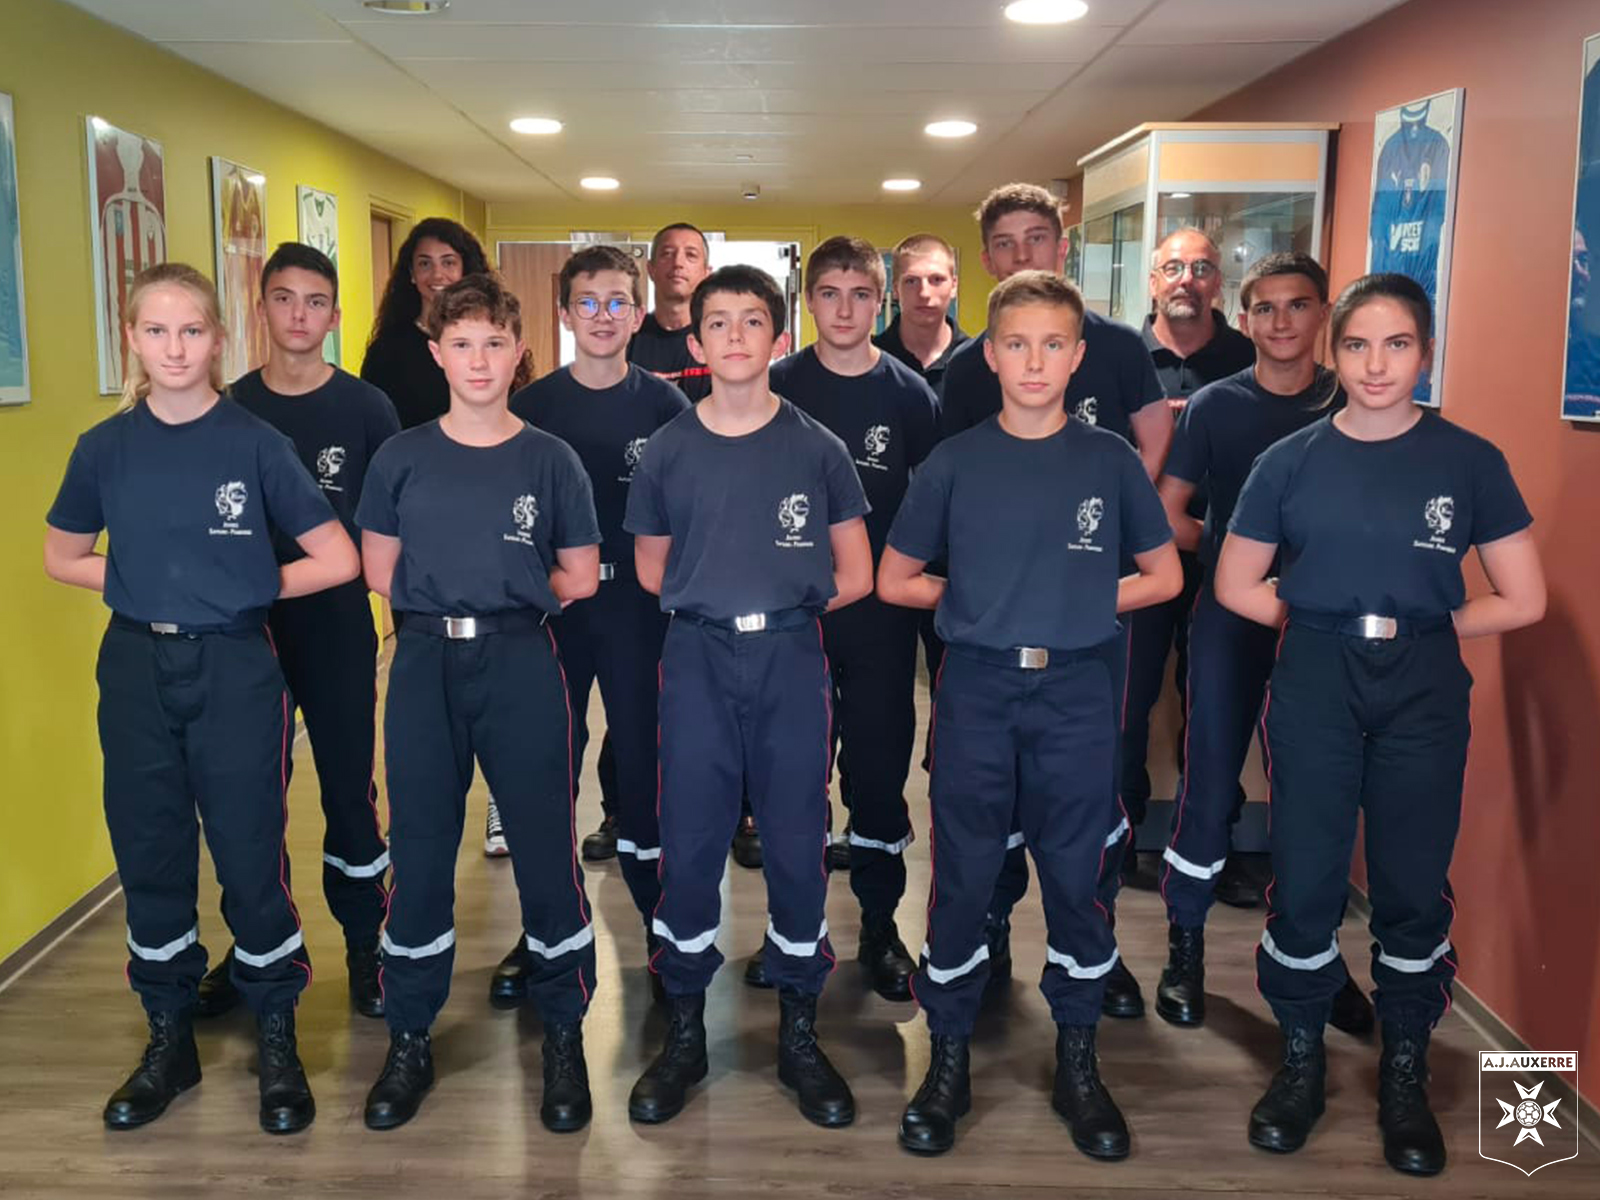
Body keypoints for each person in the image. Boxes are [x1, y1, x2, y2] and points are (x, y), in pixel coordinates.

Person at [1215, 273, 1545, 1175]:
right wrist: (1320, 618)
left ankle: (1404, 1072)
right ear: (1334, 351)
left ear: (1426, 352)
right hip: (1318, 673)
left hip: (1424, 683)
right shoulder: (1289, 461)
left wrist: (1422, 627)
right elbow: (1236, 585)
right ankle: (1301, 1060)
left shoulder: (1468, 460)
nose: (1376, 364)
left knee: (1409, 880)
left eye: (1396, 345)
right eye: (1358, 345)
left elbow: (1524, 597)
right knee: (1310, 874)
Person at [44, 262, 360, 1134]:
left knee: (251, 850)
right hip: (138, 667)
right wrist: (149, 581)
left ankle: (276, 1033)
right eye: (156, 331)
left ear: (219, 340)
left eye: (192, 331)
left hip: (233, 665)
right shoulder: (103, 448)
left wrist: (241, 584)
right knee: (149, 848)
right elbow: (63, 556)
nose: (175, 347)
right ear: (133, 341)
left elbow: (337, 558)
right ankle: (167, 1036)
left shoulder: (256, 443)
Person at [879, 270, 1181, 1159]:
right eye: (1018, 343)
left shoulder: (1110, 460)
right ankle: (948, 1059)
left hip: (1081, 690)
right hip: (976, 687)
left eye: (1055, 344)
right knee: (965, 876)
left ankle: (1080, 1063)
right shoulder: (956, 460)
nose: (1035, 360)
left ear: (1079, 357)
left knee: (1077, 876)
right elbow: (896, 578)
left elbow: (1161, 575)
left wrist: (1081, 598)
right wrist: (977, 602)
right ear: (992, 355)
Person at [623, 265, 873, 1128]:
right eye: (717, 323)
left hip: (791, 658)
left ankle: (799, 1033)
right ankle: (685, 1030)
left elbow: (858, 571)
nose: (735, 336)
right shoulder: (668, 449)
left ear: (778, 336)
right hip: (696, 653)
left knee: (799, 837)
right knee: (690, 837)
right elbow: (652, 565)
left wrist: (779, 602)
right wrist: (719, 600)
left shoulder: (818, 448)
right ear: (694, 345)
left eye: (753, 320)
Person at [356, 275, 602, 1133]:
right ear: (437, 354)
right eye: (461, 345)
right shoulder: (402, 456)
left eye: (494, 344)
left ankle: (564, 1030)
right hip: (423, 659)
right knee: (420, 848)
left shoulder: (550, 458)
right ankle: (411, 1034)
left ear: (518, 350)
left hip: (520, 656)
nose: (479, 361)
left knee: (542, 841)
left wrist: (503, 592)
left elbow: (576, 573)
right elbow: (379, 570)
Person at [938, 182, 1169, 1019]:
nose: (1034, 362)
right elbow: (952, 517)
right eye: (1006, 241)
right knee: (974, 827)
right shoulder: (967, 378)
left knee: (1083, 820)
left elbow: (1152, 470)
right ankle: (986, 941)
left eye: (1038, 237)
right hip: (990, 646)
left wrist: (1079, 572)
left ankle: (1089, 967)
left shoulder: (1113, 372)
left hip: (1082, 640)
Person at [1152, 252, 1369, 1035]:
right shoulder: (1215, 405)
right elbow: (1167, 513)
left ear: (1323, 317)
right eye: (1265, 308)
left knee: (1317, 791)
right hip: (1230, 615)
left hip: (1327, 625)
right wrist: (1232, 553)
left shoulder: (1353, 402)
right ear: (1244, 319)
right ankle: (1186, 946)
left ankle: (1313, 957)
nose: (1281, 322)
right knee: (1209, 779)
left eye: (1297, 306)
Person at [188, 243, 398, 1023]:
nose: (299, 315)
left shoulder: (369, 409)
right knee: (248, 798)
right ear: (262, 309)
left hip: (338, 627)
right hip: (247, 631)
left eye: (315, 301)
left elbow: (386, 530)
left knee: (349, 791)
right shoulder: (229, 406)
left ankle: (367, 945)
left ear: (334, 316)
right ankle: (256, 949)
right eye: (284, 299)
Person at [495, 245, 688, 1007]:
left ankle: (660, 927)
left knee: (645, 767)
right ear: (566, 313)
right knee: (546, 767)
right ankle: (542, 929)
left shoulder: (667, 409)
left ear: (637, 315)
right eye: (589, 302)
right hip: (556, 612)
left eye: (618, 302)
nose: (603, 316)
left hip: (640, 613)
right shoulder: (532, 409)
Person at [747, 235, 938, 1001]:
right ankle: (789, 930)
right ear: (810, 302)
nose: (847, 308)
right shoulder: (776, 386)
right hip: (795, 619)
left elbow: (930, 508)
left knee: (879, 778)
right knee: (789, 781)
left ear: (881, 301)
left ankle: (883, 930)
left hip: (881, 622)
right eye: (831, 293)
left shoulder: (910, 395)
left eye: (863, 294)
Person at [359, 217, 528, 860]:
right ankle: (426, 824)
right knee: (429, 715)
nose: (435, 275)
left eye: (447, 262)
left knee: (507, 712)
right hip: (423, 541)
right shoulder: (391, 352)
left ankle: (500, 810)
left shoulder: (506, 366)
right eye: (422, 264)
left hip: (498, 555)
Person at [1124, 228, 1259, 905]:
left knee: (1217, 706)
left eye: (1201, 268)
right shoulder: (1123, 356)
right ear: (1152, 281)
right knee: (1129, 701)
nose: (1186, 278)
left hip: (1227, 560)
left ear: (1218, 284)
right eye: (1173, 266)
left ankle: (1213, 845)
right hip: (1142, 557)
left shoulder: (1249, 357)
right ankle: (1119, 843)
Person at [874, 233, 969, 399]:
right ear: (896, 289)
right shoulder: (868, 359)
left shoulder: (979, 360)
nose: (924, 293)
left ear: (954, 286)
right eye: (911, 281)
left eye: (937, 279)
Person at [628, 222, 715, 403]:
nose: (677, 263)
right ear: (650, 269)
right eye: (667, 254)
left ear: (707, 273)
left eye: (690, 255)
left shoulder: (722, 339)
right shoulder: (626, 339)